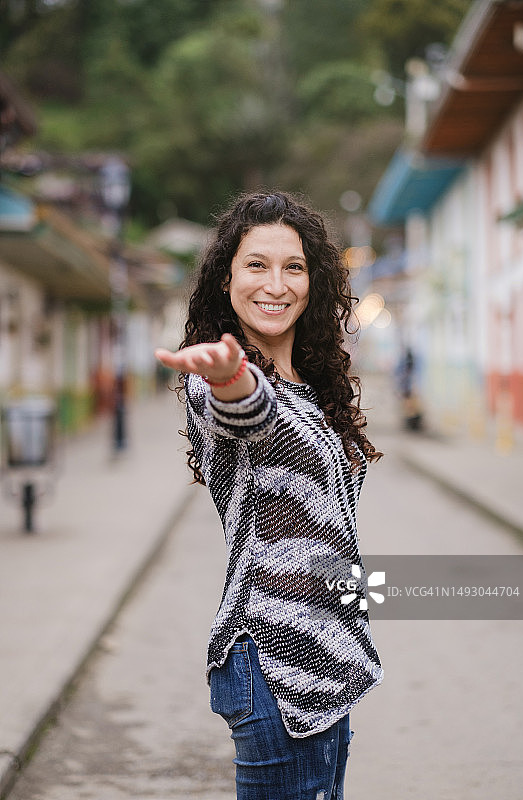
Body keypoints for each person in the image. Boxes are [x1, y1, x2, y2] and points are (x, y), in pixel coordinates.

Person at [155, 191, 384, 800]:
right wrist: (230, 378)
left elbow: (332, 532)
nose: (276, 284)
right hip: (275, 670)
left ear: (314, 281)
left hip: (326, 668)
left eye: (294, 267)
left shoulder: (311, 384)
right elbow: (252, 414)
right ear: (225, 278)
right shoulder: (219, 382)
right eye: (256, 264)